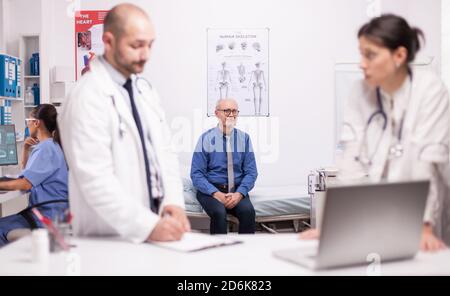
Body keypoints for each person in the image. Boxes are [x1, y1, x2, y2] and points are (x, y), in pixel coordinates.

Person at [302, 14, 450, 252]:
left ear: (399, 55)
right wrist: (335, 225)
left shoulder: (429, 90)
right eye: (361, 53)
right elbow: (351, 160)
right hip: (387, 207)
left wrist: (424, 224)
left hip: (431, 209)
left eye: (370, 55)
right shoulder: (360, 92)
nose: (362, 63)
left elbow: (427, 161)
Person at [59, 3, 190, 243]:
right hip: (109, 239)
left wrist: (173, 202)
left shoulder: (144, 91)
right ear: (108, 41)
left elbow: (165, 153)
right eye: (136, 45)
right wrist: (148, 226)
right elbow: (95, 180)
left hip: (153, 231)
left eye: (150, 45)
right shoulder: (86, 96)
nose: (146, 54)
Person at [0, 104, 68, 246]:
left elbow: (25, 183)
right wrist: (25, 148)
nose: (27, 125)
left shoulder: (45, 148)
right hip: (53, 214)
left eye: (28, 121)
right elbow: (27, 174)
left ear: (37, 123)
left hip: (45, 217)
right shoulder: (51, 146)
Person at [191, 98, 258, 234]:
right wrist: (217, 194)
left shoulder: (244, 138)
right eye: (227, 111)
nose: (232, 115)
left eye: (234, 111)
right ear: (216, 113)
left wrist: (239, 194)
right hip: (211, 191)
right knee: (219, 213)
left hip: (237, 190)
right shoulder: (205, 139)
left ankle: (248, 253)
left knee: (248, 212)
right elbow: (196, 174)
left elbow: (251, 172)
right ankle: (219, 253)